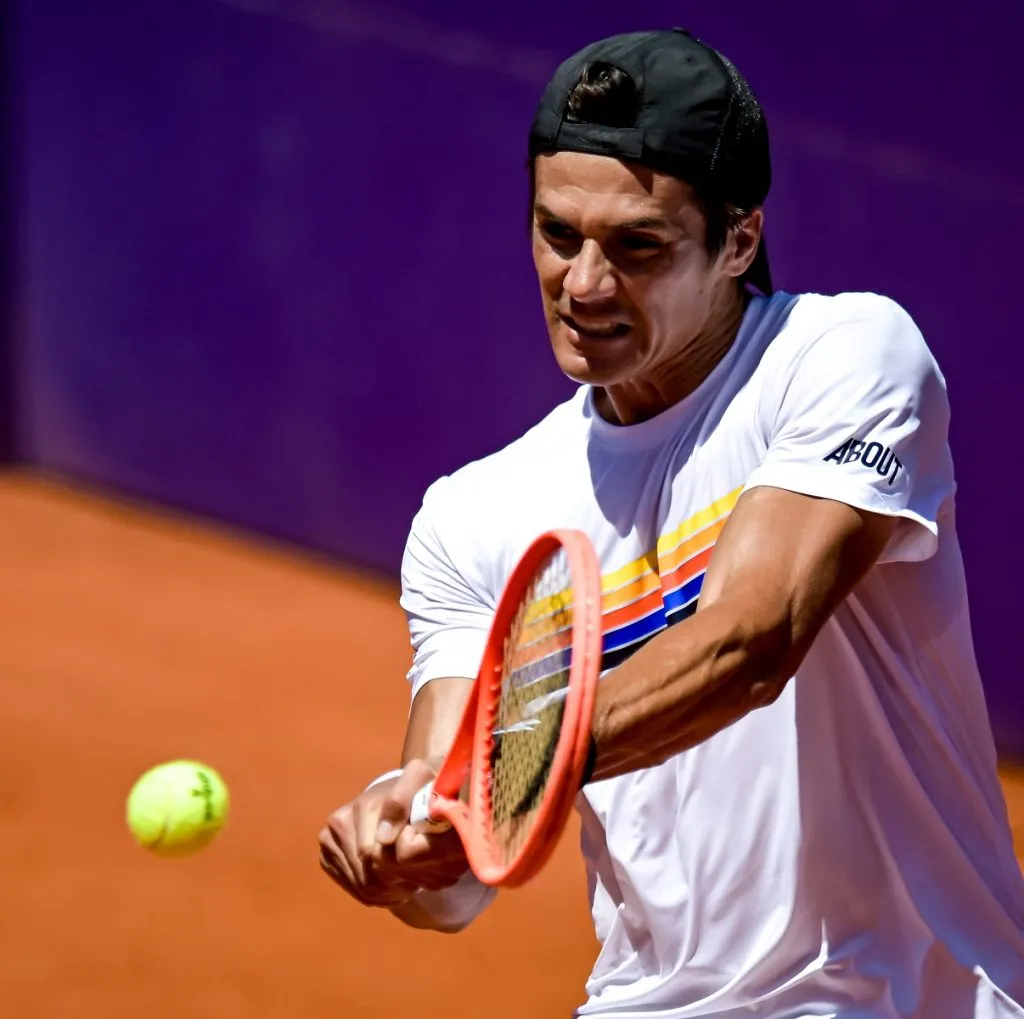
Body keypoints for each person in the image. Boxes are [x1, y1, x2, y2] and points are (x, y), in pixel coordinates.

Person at [318, 27, 1024, 1018]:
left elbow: (751, 640)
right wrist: (407, 835)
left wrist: (517, 768)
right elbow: (455, 872)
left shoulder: (843, 357)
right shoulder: (472, 516)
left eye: (637, 245)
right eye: (557, 233)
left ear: (738, 239)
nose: (584, 283)